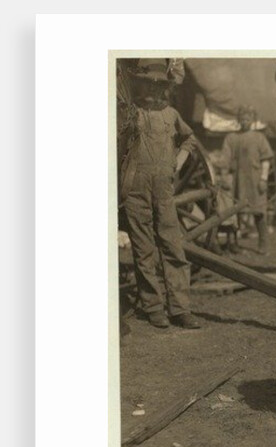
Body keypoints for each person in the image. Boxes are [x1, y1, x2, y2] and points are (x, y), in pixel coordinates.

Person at [118, 58, 201, 329]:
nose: (153, 92)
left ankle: (180, 309)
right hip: (135, 188)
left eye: (158, 87)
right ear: (140, 87)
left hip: (163, 188)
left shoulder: (171, 115)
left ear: (165, 89)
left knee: (172, 246)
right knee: (143, 250)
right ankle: (154, 307)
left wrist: (177, 162)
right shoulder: (130, 114)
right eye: (148, 86)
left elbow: (189, 140)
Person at [221, 105, 274, 255]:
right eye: (242, 119)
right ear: (238, 120)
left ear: (252, 120)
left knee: (259, 212)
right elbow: (225, 159)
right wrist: (224, 176)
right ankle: (233, 243)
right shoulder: (231, 138)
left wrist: (263, 179)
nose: (245, 121)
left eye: (248, 119)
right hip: (238, 181)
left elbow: (266, 160)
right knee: (235, 213)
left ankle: (263, 244)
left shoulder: (259, 137)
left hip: (255, 181)